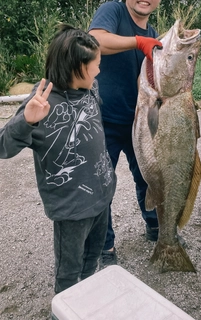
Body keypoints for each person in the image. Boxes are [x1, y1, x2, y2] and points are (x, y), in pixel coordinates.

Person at [0, 24, 116, 294]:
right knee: (69, 268)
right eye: (95, 65)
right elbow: (3, 146)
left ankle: (85, 296)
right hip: (71, 209)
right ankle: (64, 307)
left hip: (102, 195)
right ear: (76, 67)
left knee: (92, 258)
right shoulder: (39, 103)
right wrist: (27, 121)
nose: (99, 70)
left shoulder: (91, 87)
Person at [88, 0, 163, 268]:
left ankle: (156, 228)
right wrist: (138, 42)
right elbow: (94, 41)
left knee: (149, 177)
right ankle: (104, 247)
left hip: (138, 122)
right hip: (101, 120)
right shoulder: (113, 11)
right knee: (100, 186)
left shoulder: (153, 33)